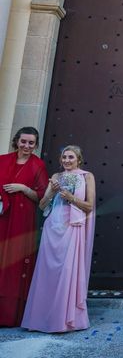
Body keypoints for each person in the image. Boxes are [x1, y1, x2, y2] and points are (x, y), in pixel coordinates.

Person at [21, 145, 96, 332]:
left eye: (71, 157)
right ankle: (40, 319)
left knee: (67, 270)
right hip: (53, 227)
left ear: (79, 159)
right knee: (48, 273)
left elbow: (89, 206)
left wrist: (71, 197)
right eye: (64, 157)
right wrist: (52, 192)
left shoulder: (87, 176)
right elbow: (42, 205)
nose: (67, 160)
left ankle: (64, 320)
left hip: (72, 228)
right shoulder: (55, 177)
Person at [0, 126, 48, 327]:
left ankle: (10, 316)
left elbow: (42, 197)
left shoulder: (38, 165)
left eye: (31, 143)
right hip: (2, 216)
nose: (26, 146)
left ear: (35, 145)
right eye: (23, 141)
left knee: (15, 263)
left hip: (23, 219)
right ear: (16, 141)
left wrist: (23, 188)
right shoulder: (2, 160)